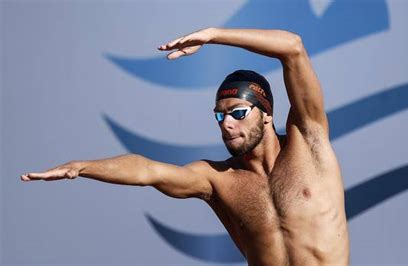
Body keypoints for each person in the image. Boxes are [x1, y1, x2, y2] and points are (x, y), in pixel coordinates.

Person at [21, 28, 350, 265]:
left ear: (266, 115)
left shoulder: (309, 140)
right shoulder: (217, 180)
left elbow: (292, 47)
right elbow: (147, 170)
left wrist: (212, 35)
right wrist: (82, 167)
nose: (227, 124)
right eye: (220, 116)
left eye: (237, 113)